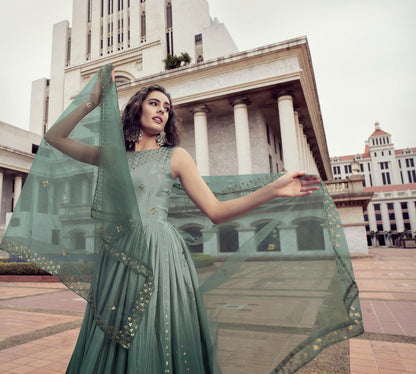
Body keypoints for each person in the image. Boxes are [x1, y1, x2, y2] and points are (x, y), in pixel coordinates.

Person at [1, 65, 362, 373]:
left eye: (168, 108)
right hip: (118, 255)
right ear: (135, 109)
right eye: (154, 103)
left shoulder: (176, 157)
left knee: (153, 333)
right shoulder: (113, 157)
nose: (162, 111)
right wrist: (92, 99)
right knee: (111, 333)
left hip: (160, 255)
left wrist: (273, 190)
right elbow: (55, 137)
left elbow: (217, 211)